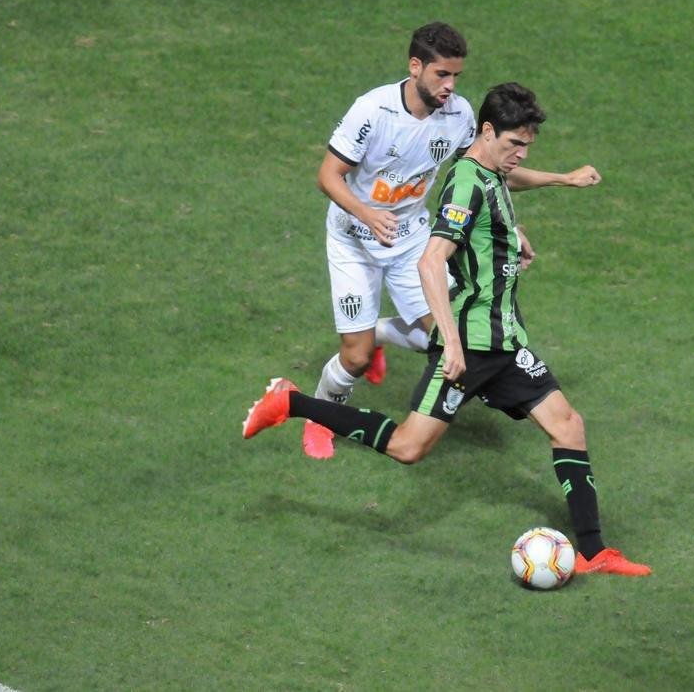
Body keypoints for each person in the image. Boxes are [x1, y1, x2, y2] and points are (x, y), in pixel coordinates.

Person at [245, 82, 649, 576]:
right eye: (513, 145)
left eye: (526, 146)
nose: (519, 155)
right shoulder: (465, 182)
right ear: (485, 132)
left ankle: (593, 552)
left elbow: (495, 212)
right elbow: (432, 262)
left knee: (568, 425)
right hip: (471, 346)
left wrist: (520, 229)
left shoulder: (491, 172)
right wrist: (451, 342)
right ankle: (292, 402)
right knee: (409, 448)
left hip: (504, 340)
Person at [305, 22, 602, 460]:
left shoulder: (459, 115)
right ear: (415, 66)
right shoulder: (372, 111)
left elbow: (491, 170)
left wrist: (561, 179)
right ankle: (317, 416)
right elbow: (328, 175)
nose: (450, 86)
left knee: (445, 337)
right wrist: (368, 214)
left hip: (411, 241)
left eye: (456, 76)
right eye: (442, 74)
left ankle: (383, 332)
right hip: (354, 240)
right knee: (355, 358)